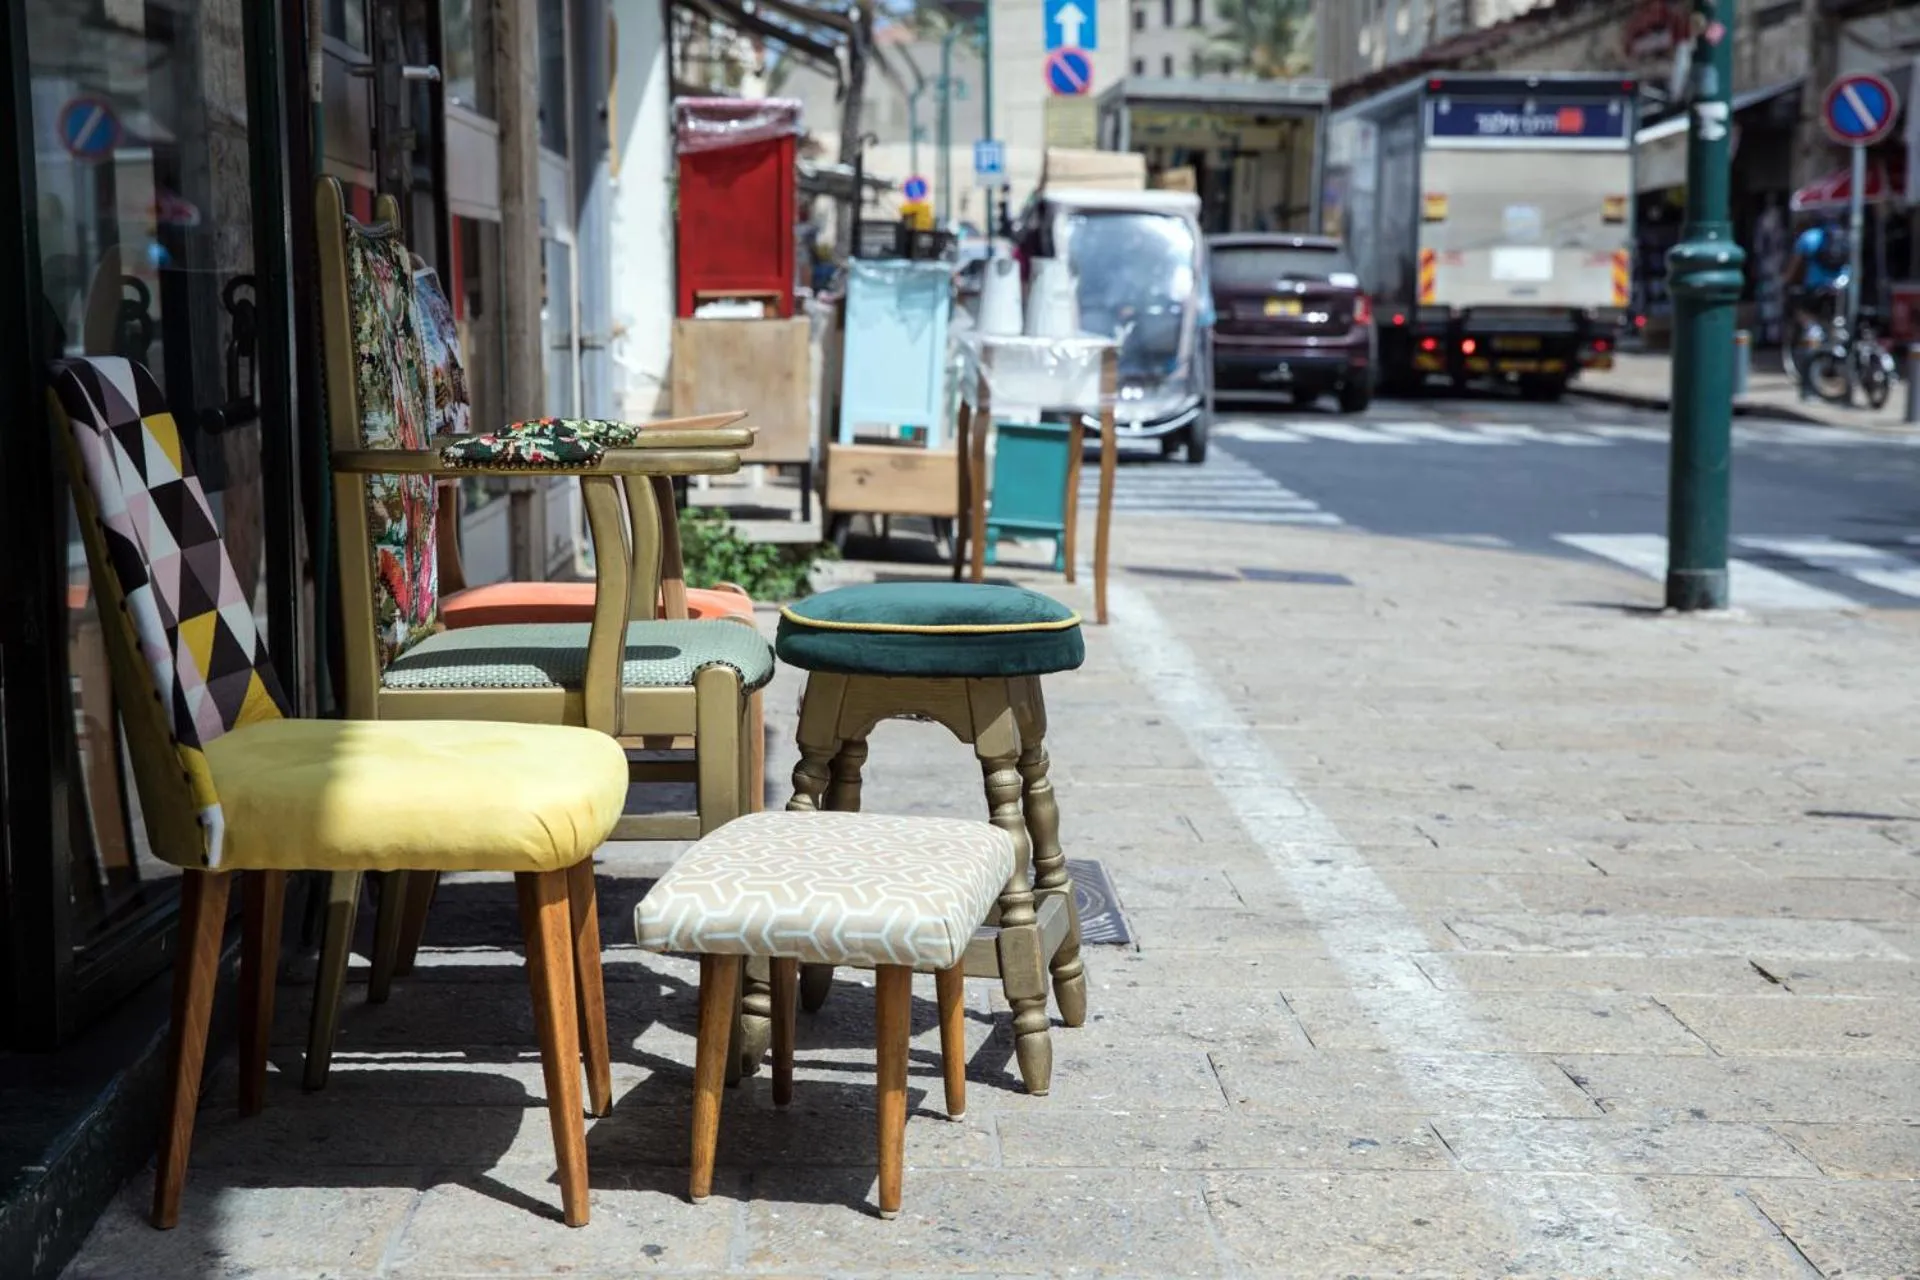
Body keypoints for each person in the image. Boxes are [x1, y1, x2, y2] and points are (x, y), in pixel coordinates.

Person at [1784, 216, 1850, 339]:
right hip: (1841, 284)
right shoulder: (1845, 236)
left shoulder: (1808, 237)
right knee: (1836, 317)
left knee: (1800, 308)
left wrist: (1786, 280)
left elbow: (1795, 265)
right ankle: (1837, 339)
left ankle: (1813, 331)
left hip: (1816, 285)